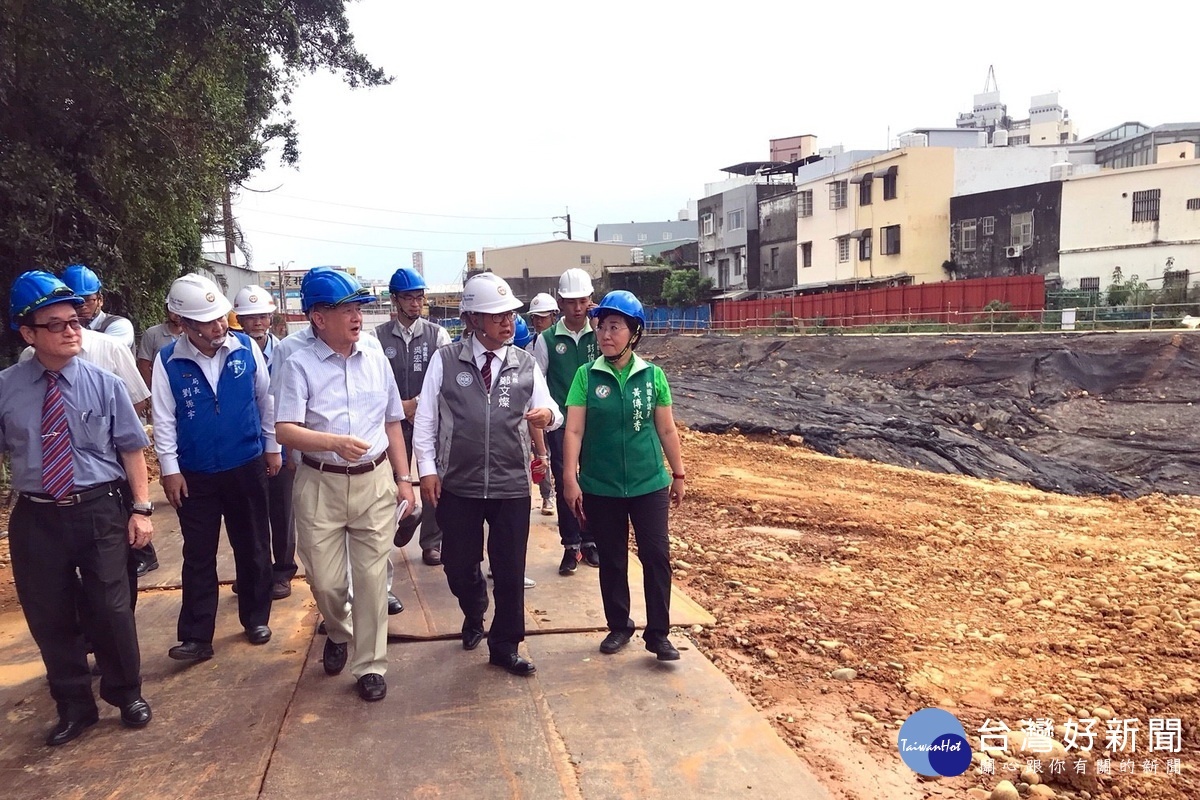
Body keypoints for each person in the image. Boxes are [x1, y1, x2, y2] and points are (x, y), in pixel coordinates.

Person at [1, 270, 154, 746]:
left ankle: (126, 692)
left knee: (111, 607)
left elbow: (131, 448)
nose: (73, 330)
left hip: (98, 509)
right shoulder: (6, 387)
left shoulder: (103, 383)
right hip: (36, 515)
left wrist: (142, 509)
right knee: (49, 614)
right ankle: (73, 706)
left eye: (75, 320)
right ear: (28, 334)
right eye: (58, 324)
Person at [275, 268, 416, 702]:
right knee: (327, 582)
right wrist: (332, 442)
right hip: (320, 483)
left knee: (373, 580)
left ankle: (370, 664)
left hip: (374, 482)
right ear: (318, 318)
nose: (358, 317)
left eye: (359, 308)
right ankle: (338, 629)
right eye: (346, 309)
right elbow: (284, 430)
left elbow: (393, 420)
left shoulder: (375, 357)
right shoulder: (297, 365)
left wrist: (404, 478)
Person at [413, 272, 561, 677]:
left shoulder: (525, 363)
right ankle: (474, 604)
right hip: (458, 483)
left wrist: (547, 416)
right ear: (473, 319)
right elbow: (426, 421)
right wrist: (427, 471)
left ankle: (506, 645)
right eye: (496, 316)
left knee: (510, 570)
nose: (507, 322)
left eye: (510, 314)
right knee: (459, 566)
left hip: (510, 484)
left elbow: (551, 410)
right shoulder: (445, 362)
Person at [151, 274, 279, 662]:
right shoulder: (168, 361)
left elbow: (266, 399)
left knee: (254, 543)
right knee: (199, 554)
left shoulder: (244, 350)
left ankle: (256, 617)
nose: (220, 326)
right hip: (196, 475)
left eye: (221, 317)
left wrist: (272, 447)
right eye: (208, 321)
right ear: (183, 323)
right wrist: (170, 469)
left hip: (246, 464)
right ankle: (196, 637)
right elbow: (164, 417)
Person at [562, 291, 686, 661]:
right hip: (602, 485)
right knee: (613, 558)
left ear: (634, 332)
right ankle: (619, 626)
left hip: (649, 484)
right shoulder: (586, 376)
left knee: (656, 555)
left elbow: (666, 430)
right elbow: (573, 431)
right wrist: (571, 477)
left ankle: (659, 634)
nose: (605, 334)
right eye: (601, 326)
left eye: (615, 327)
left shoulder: (653, 376)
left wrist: (677, 473)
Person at [374, 267, 451, 567]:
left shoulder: (437, 335)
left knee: (432, 477)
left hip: (428, 418)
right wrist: (399, 407)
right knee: (394, 478)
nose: (415, 304)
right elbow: (373, 381)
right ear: (395, 300)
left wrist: (416, 404)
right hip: (391, 421)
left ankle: (432, 542)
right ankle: (404, 520)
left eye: (419, 297)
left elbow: (445, 377)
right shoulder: (377, 338)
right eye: (408, 298)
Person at [533, 268, 599, 575]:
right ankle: (571, 544)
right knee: (566, 481)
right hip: (561, 424)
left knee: (594, 479)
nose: (576, 307)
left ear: (590, 301)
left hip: (597, 422)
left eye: (582, 300)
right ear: (560, 302)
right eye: (570, 301)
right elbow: (538, 382)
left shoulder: (599, 335)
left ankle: (591, 540)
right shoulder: (546, 340)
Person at [234, 285, 295, 600]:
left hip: (282, 442)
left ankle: (283, 571)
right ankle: (255, 573)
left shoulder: (287, 351)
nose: (257, 322)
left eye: (262, 316)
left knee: (282, 511)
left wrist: (291, 451)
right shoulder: (233, 352)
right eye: (250, 317)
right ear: (239, 320)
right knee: (249, 513)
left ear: (271, 317)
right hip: (246, 444)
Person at [60, 264, 135, 350]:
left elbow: (103, 353)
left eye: (88, 300)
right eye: (76, 301)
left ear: (100, 300)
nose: (83, 306)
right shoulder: (61, 327)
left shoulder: (119, 325)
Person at [136, 304, 184, 390]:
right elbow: (144, 366)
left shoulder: (192, 335)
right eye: (174, 310)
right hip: (160, 386)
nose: (178, 314)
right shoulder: (152, 333)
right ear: (167, 311)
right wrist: (152, 391)